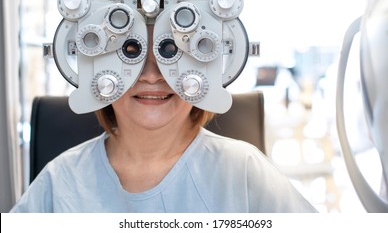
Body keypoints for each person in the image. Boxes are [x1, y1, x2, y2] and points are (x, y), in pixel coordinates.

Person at [11, 26, 317, 213]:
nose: (152, 76)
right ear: (100, 72)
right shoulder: (60, 181)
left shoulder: (244, 170)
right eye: (130, 55)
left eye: (172, 56)